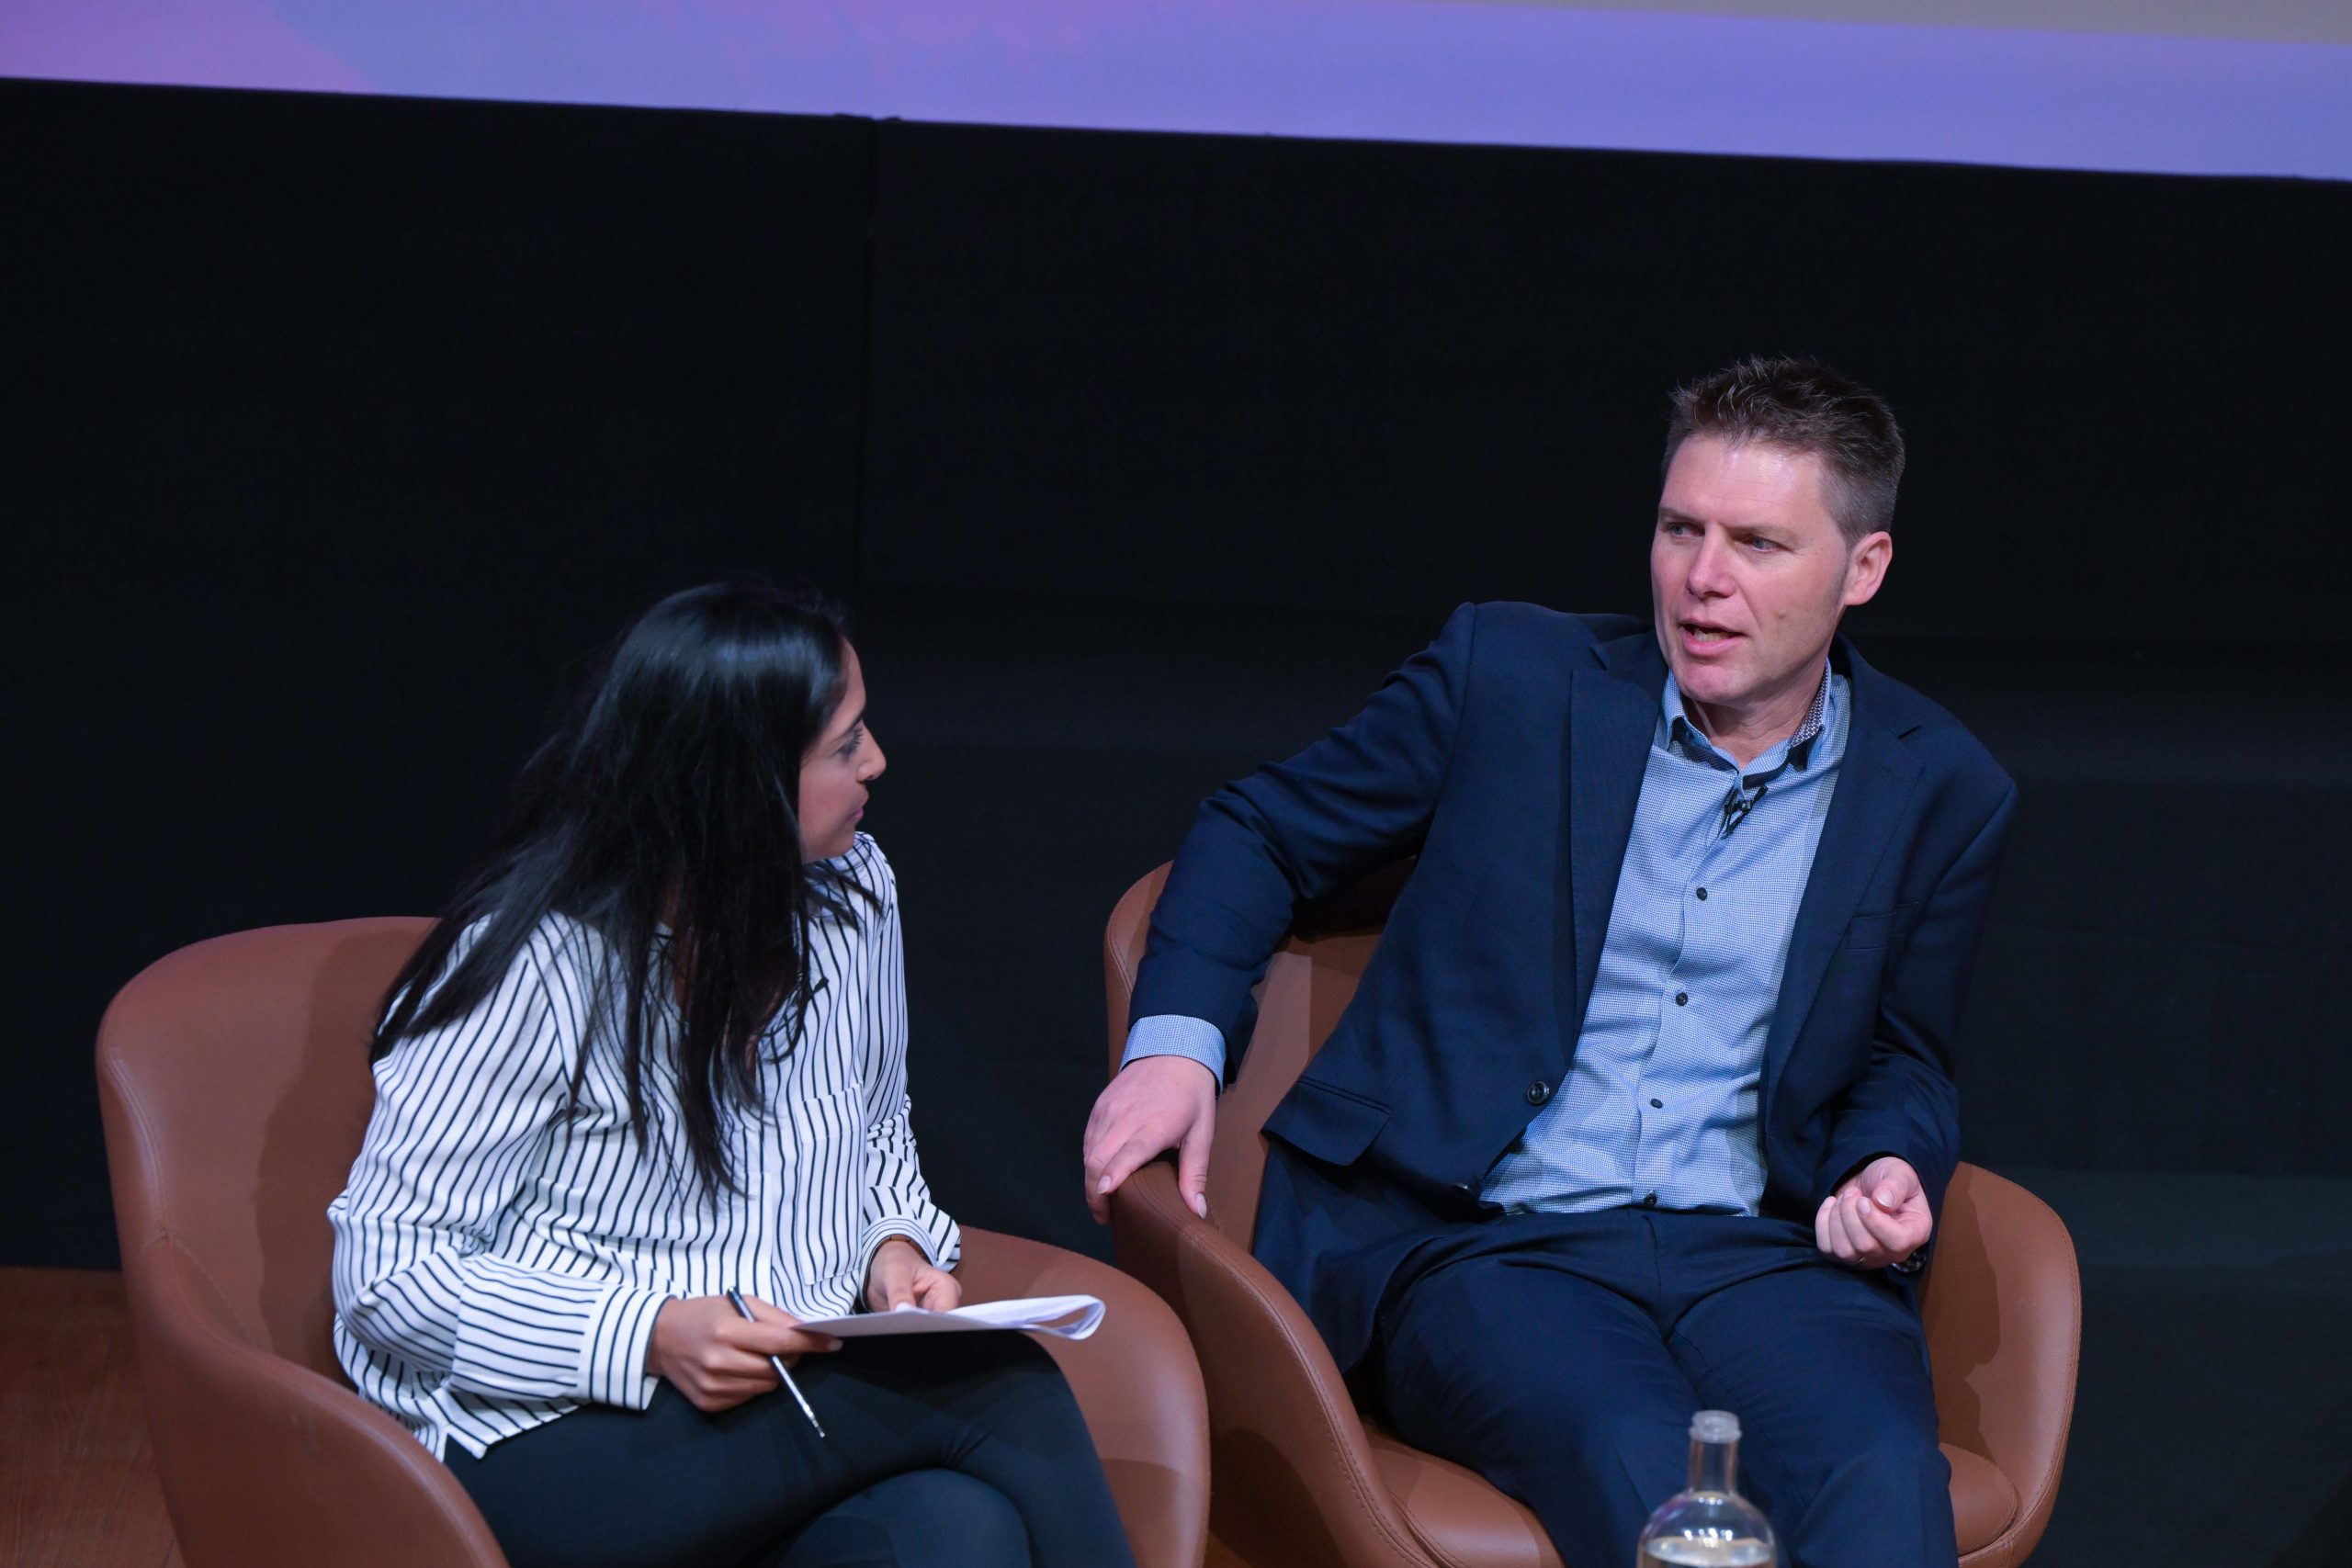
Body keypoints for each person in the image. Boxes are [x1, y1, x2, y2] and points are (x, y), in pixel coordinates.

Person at [1083, 357, 2015, 1568]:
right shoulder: (1510, 679)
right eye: (1680, 529)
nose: (1703, 578)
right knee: (1649, 1472)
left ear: (1863, 567)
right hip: (1490, 1243)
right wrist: (1173, 1048)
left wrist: (1888, 1159)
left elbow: (1904, 1054)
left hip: (1766, 1253)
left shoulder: (1939, 785)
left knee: (1882, 1476)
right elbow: (1260, 830)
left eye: (1757, 543)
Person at [332, 580, 1137, 1568]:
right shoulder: (540, 961)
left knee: (958, 1534)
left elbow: (874, 1122)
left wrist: (890, 1244)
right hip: (540, 1431)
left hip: (773, 1400)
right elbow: (388, 1273)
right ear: (738, 783)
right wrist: (647, 1332)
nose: (877, 761)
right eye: (844, 744)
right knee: (1004, 1384)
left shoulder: (854, 893)